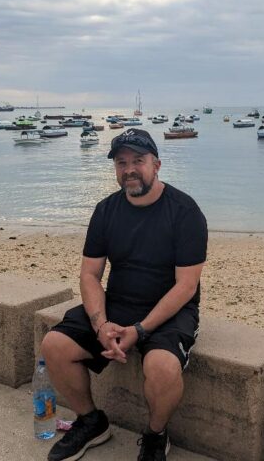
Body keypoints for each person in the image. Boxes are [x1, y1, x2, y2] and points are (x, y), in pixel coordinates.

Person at [41, 128, 207, 461]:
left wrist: (140, 331)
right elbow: (89, 275)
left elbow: (186, 286)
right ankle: (92, 422)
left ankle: (156, 435)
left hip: (170, 312)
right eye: (121, 162)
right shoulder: (106, 210)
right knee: (54, 346)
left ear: (156, 165)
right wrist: (101, 325)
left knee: (162, 367)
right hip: (117, 304)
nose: (129, 169)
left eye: (138, 160)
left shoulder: (185, 211)